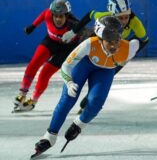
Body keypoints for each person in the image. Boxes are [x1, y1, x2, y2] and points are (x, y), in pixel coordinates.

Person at [31, 16, 139, 156]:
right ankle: (49, 137)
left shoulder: (129, 48)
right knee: (68, 98)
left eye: (116, 41)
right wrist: (69, 83)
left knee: (96, 102)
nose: (113, 46)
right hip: (84, 65)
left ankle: (79, 124)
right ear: (100, 39)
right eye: (109, 42)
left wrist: (79, 124)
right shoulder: (89, 44)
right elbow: (66, 66)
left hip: (105, 70)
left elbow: (132, 50)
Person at [61, 0, 149, 113]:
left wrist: (128, 54)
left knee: (108, 74)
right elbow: (90, 14)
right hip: (98, 40)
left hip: (114, 48)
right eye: (120, 17)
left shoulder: (135, 23)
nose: (123, 21)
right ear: (112, 15)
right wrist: (74, 32)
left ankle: (90, 98)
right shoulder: (105, 16)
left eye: (126, 17)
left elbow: (144, 40)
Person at [13, 0, 82, 112]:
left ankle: (33, 101)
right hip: (50, 41)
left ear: (67, 15)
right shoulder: (48, 14)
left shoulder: (74, 25)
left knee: (45, 73)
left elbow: (85, 34)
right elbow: (43, 14)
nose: (58, 19)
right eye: (56, 16)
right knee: (34, 63)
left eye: (61, 16)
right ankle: (22, 93)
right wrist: (33, 26)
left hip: (65, 50)